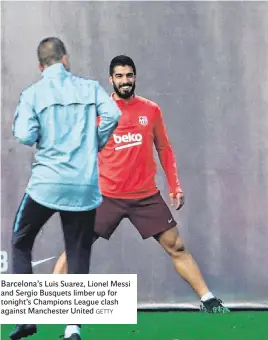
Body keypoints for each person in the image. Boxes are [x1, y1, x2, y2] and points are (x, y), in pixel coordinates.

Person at [52, 55, 229, 314]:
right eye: (120, 76)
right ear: (110, 79)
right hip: (106, 196)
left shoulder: (151, 110)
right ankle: (45, 302)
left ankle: (209, 300)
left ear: (135, 77)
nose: (125, 81)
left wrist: (175, 186)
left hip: (145, 196)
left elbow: (164, 149)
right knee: (76, 246)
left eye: (129, 75)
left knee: (176, 246)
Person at [9, 37, 121, 340]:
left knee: (20, 242)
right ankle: (72, 328)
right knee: (78, 252)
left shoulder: (32, 94)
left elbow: (23, 135)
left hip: (46, 184)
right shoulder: (89, 88)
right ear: (65, 60)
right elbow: (113, 115)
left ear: (40, 65)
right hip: (83, 185)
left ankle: (25, 316)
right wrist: (95, 142)